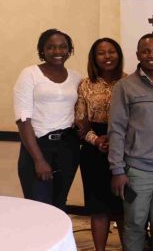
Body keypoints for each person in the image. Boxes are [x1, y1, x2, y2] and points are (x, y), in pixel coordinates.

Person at [109, 34, 153, 251]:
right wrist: (117, 170)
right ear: (138, 55)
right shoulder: (124, 86)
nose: (152, 56)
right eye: (146, 51)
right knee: (134, 226)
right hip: (137, 171)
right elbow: (116, 130)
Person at [14, 28, 82, 211]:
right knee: (39, 206)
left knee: (59, 204)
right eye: (51, 47)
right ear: (42, 50)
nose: (57, 51)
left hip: (68, 147)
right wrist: (38, 159)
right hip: (38, 146)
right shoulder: (30, 74)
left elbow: (79, 113)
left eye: (63, 47)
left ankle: (57, 240)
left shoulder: (76, 77)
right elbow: (23, 119)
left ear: (69, 50)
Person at [75, 38, 126, 251]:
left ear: (119, 54)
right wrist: (96, 140)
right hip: (94, 150)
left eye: (112, 51)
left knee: (125, 207)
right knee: (98, 207)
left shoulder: (130, 81)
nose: (107, 57)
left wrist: (116, 141)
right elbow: (80, 121)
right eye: (101, 53)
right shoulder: (85, 85)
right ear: (94, 58)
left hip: (125, 148)